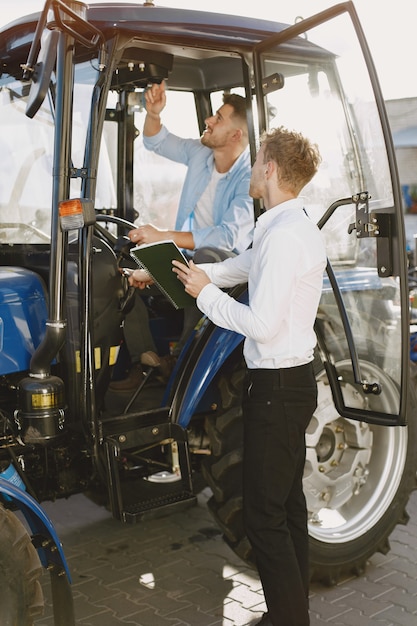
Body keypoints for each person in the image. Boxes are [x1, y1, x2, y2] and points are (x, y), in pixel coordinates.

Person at [171, 126, 327, 626]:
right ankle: (293, 613)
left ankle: (287, 619)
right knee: (287, 506)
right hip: (289, 383)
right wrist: (196, 274)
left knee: (264, 516)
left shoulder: (285, 235)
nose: (254, 169)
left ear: (272, 169)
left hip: (277, 389)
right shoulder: (287, 224)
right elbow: (244, 265)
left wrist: (205, 298)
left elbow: (261, 324)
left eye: (259, 160)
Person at [110, 81, 254, 391]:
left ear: (235, 135)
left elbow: (226, 238)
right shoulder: (200, 153)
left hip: (230, 267)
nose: (208, 121)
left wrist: (163, 235)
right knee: (124, 263)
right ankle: (146, 361)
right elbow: (156, 141)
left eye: (218, 118)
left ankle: (188, 363)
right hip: (190, 256)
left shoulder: (248, 177)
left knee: (203, 258)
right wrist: (153, 113)